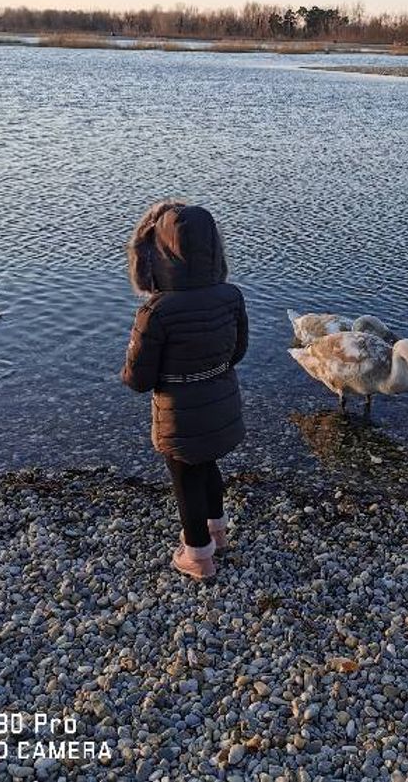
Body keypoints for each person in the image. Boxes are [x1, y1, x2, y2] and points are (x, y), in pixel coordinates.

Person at [121, 201, 249, 580]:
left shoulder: (157, 311)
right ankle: (217, 530)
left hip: (178, 410)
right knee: (207, 463)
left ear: (156, 254)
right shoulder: (231, 296)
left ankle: (197, 555)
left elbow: (138, 379)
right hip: (221, 401)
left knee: (185, 477)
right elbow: (238, 351)